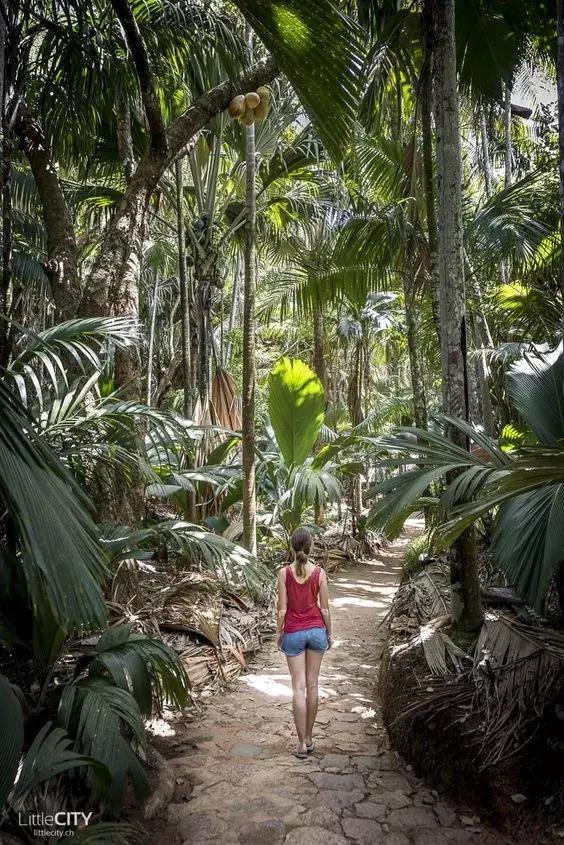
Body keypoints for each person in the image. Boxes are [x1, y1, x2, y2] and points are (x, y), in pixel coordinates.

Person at [276, 527, 332, 759]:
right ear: (311, 547)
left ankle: (300, 743)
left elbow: (282, 610)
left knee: (298, 687)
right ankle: (309, 737)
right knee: (313, 685)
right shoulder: (320, 573)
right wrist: (329, 633)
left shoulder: (284, 573)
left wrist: (279, 632)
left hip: (293, 633)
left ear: (292, 547)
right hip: (316, 631)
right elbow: (325, 609)